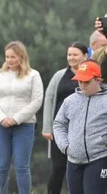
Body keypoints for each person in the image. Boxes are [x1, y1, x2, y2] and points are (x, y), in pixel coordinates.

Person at [53, 60, 107, 194]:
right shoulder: (70, 101)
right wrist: (65, 146)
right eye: (80, 81)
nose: (83, 85)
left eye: (87, 82)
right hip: (73, 159)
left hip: (101, 157)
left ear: (98, 80)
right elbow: (59, 124)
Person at [0, 41, 43, 194]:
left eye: (13, 57)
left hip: (24, 126)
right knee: (2, 165)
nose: (9, 60)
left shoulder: (33, 75)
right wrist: (1, 118)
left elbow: (36, 101)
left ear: (22, 57)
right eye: (7, 57)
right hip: (0, 126)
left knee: (21, 166)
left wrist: (16, 119)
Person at [43, 42, 88, 194]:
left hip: (82, 130)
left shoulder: (90, 75)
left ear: (85, 56)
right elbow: (49, 99)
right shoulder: (59, 75)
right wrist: (47, 127)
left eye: (75, 54)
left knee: (77, 168)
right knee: (58, 168)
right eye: (69, 54)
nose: (71, 57)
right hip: (60, 129)